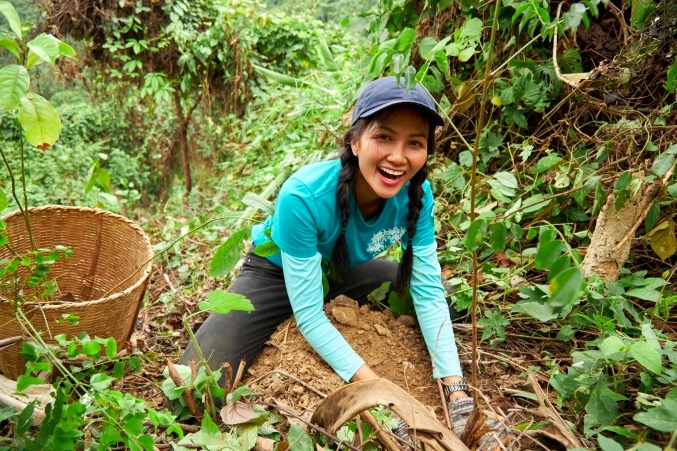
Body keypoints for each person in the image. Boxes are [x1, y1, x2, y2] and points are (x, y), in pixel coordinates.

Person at [179, 76, 502, 445]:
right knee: (196, 385)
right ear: (355, 141)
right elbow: (311, 315)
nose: (398, 156)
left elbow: (427, 291)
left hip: (339, 272)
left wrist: (456, 393)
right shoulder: (303, 195)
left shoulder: (417, 192)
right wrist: (387, 398)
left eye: (415, 143)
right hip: (277, 272)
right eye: (384, 137)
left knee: (428, 292)